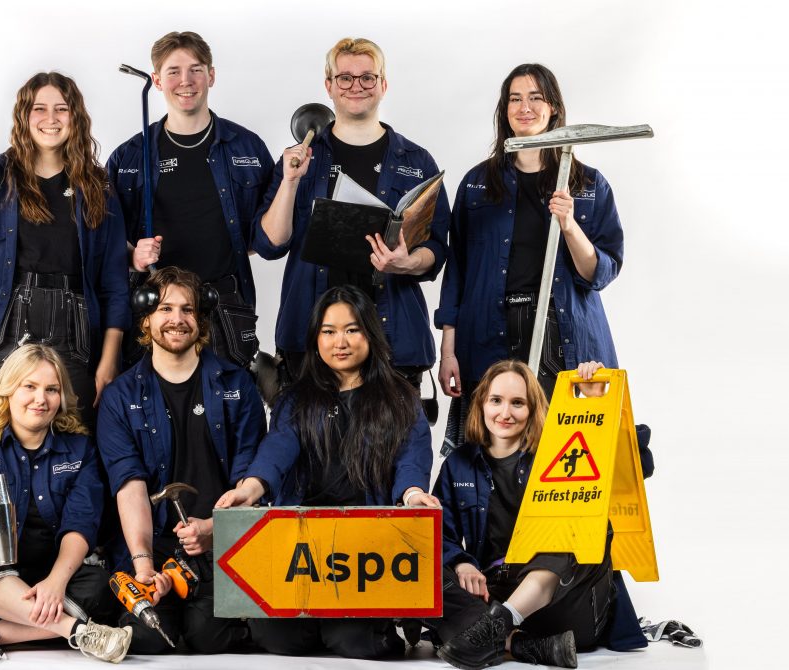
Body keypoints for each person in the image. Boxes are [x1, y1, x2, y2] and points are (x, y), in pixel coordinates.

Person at [215, 285, 437, 659]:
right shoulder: (295, 398)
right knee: (279, 639)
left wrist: (413, 494)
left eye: (352, 330)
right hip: (305, 544)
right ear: (316, 338)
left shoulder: (400, 398)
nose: (340, 342)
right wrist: (250, 488)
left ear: (370, 333)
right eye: (329, 331)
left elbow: (411, 458)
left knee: (357, 643)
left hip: (364, 546)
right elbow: (278, 449)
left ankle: (357, 626)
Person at [436, 63, 624, 449]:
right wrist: (448, 350)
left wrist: (569, 225)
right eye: (515, 99)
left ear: (553, 107)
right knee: (492, 453)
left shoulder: (588, 184)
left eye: (536, 97)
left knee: (562, 452)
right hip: (488, 332)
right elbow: (457, 271)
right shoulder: (476, 184)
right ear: (504, 110)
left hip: (561, 335)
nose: (525, 107)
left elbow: (600, 273)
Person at [253, 37, 450, 388]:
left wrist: (406, 263)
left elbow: (436, 247)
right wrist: (290, 182)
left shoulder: (417, 161)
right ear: (329, 85)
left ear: (383, 85)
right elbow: (270, 245)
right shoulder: (298, 160)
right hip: (310, 337)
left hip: (392, 339)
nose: (356, 86)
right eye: (345, 78)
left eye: (367, 77)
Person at [0, 72, 129, 430]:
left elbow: (114, 283)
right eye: (39, 108)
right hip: (5, 326)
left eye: (62, 108)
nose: (51, 118)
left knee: (73, 437)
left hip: (74, 333)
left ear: (76, 116)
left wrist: (109, 359)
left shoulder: (97, 187)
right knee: (0, 440)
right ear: (24, 116)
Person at [430, 360, 650, 670]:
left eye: (517, 403)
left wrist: (594, 404)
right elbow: (439, 534)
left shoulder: (557, 450)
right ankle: (521, 644)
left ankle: (498, 625)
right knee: (421, 569)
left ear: (533, 409)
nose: (505, 413)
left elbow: (637, 463)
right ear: (481, 404)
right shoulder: (458, 464)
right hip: (496, 592)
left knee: (585, 525)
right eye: (496, 400)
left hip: (566, 599)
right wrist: (461, 562)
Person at [0, 345, 132, 664]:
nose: (40, 399)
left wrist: (56, 582)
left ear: (61, 397)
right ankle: (76, 631)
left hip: (47, 575)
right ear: (9, 389)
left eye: (51, 389)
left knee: (102, 586)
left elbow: (81, 525)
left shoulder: (80, 450)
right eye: (29, 386)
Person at [95, 266, 266, 654]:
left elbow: (248, 480)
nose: (177, 319)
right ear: (146, 318)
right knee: (146, 639)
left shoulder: (237, 385)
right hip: (154, 546)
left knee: (209, 637)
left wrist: (216, 531)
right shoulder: (120, 397)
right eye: (166, 309)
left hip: (221, 540)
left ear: (200, 319)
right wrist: (143, 567)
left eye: (188, 310)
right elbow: (130, 487)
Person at [107, 31, 274, 367]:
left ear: (211, 75)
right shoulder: (129, 156)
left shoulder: (247, 147)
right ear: (156, 80)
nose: (186, 81)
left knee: (229, 398)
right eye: (173, 72)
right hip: (156, 307)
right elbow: (105, 238)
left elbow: (267, 236)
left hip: (224, 307)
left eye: (196, 70)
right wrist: (133, 256)